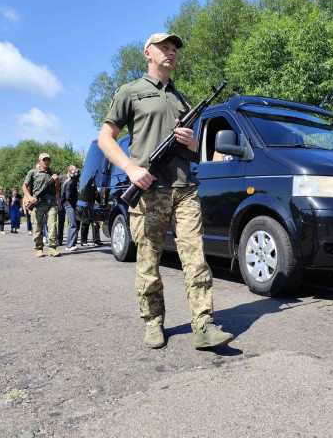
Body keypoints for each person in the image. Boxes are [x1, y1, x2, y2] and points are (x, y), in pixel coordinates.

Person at [98, 32, 233, 350]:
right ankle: (153, 322)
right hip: (148, 190)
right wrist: (131, 169)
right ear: (148, 53)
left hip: (185, 189)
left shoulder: (181, 99)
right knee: (148, 261)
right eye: (164, 48)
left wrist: (192, 142)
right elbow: (106, 138)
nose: (171, 53)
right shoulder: (131, 92)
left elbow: (194, 154)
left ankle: (203, 324)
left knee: (196, 258)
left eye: (174, 49)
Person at [23, 153, 61, 257]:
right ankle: (39, 249)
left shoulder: (52, 173)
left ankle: (52, 248)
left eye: (48, 159)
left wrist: (57, 181)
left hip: (51, 203)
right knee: (37, 227)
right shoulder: (33, 172)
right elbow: (24, 186)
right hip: (38, 203)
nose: (46, 162)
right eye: (44, 160)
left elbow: (57, 190)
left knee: (53, 226)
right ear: (39, 161)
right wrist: (30, 198)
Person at [61, 165, 80, 251]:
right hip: (70, 205)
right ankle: (69, 245)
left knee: (74, 224)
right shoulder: (70, 183)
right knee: (72, 225)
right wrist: (74, 204)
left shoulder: (73, 182)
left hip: (71, 204)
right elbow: (68, 197)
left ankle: (71, 244)